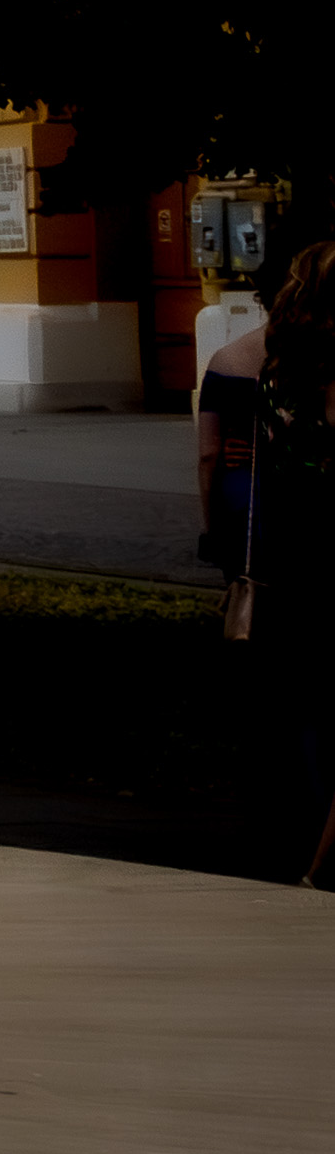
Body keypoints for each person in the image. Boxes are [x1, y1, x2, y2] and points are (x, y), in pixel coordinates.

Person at [198, 239, 331, 883]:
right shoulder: (312, 367)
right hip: (317, 547)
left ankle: (290, 827)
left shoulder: (244, 362)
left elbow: (211, 455)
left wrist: (216, 534)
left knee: (286, 691)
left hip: (264, 536)